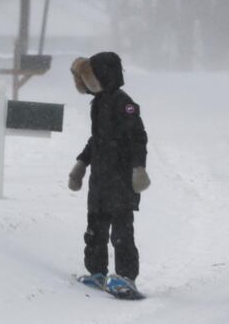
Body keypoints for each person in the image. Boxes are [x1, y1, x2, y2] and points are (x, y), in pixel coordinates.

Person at [68, 52, 151, 297]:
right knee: (95, 226)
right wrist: (81, 164)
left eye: (90, 76)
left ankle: (126, 277)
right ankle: (97, 272)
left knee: (121, 230)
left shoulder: (124, 103)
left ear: (104, 75)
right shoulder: (98, 103)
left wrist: (139, 168)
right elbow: (97, 140)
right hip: (100, 179)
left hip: (121, 178)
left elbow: (138, 138)